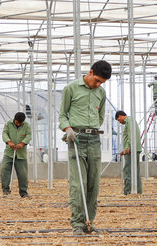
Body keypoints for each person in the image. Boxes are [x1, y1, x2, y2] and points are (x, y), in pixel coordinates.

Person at [58, 60, 111, 235]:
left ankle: (90, 221)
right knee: (78, 184)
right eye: (96, 80)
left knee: (93, 184)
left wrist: (92, 129)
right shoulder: (71, 88)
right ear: (90, 72)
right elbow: (62, 115)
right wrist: (68, 129)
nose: (98, 85)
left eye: (101, 83)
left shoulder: (101, 93)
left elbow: (100, 115)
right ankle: (78, 223)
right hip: (77, 139)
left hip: (94, 139)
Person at [0, 111, 32, 198]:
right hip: (9, 153)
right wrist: (9, 142)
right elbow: (4, 133)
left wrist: (22, 143)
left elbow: (28, 136)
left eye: (20, 123)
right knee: (4, 170)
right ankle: (5, 190)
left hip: (21, 154)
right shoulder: (8, 124)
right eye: (17, 122)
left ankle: (23, 192)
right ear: (14, 119)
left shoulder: (26, 126)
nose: (18, 124)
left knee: (23, 174)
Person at [115, 110, 142, 195]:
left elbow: (131, 135)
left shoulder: (129, 122)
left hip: (131, 150)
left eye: (119, 120)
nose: (120, 122)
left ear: (120, 116)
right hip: (134, 149)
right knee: (135, 171)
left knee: (128, 171)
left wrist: (128, 147)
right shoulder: (131, 122)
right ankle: (138, 191)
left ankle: (128, 192)